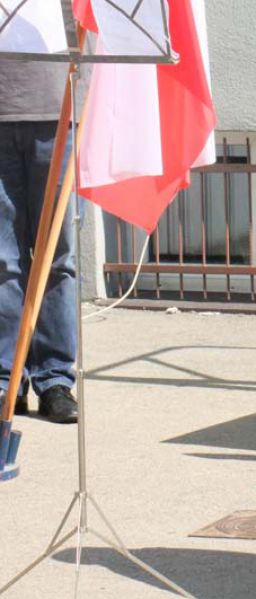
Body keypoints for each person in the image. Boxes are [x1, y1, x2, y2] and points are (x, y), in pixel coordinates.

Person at [0, 59, 79, 424]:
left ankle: (54, 380)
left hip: (56, 106)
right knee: (4, 260)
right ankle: (7, 378)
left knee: (57, 257)